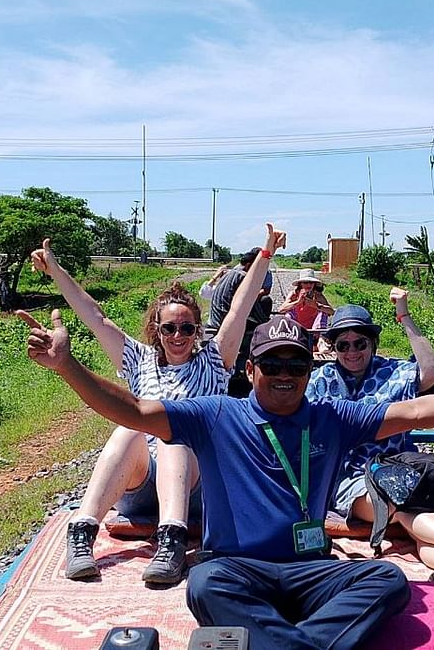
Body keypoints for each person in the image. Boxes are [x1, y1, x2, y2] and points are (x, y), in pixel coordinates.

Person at [20, 306, 434, 649]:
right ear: (249, 370)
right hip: (238, 570)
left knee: (387, 579)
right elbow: (135, 411)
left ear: (306, 372)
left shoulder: (330, 416)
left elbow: (415, 413)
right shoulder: (214, 414)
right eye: (271, 365)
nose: (283, 376)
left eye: (295, 367)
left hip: (312, 571)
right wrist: (67, 364)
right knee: (204, 583)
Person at [29, 224, 286, 585]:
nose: (178, 336)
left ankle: (172, 541)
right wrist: (56, 271)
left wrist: (265, 255)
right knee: (129, 428)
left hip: (196, 488)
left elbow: (238, 312)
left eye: (187, 329)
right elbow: (94, 316)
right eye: (169, 329)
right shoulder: (138, 359)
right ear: (157, 329)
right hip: (140, 485)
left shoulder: (213, 361)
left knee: (175, 433)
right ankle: (82, 533)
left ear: (198, 331)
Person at [307, 290, 434, 589]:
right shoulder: (321, 381)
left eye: (360, 343)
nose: (352, 351)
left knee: (409, 513)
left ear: (373, 343)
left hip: (399, 469)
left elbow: (430, 373)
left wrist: (404, 315)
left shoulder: (391, 371)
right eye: (343, 345)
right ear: (334, 349)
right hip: (350, 478)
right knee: (401, 505)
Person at [206, 247, 276, 397]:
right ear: (251, 265)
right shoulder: (242, 278)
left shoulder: (230, 273)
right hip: (222, 324)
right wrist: (267, 326)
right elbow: (253, 309)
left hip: (216, 321)